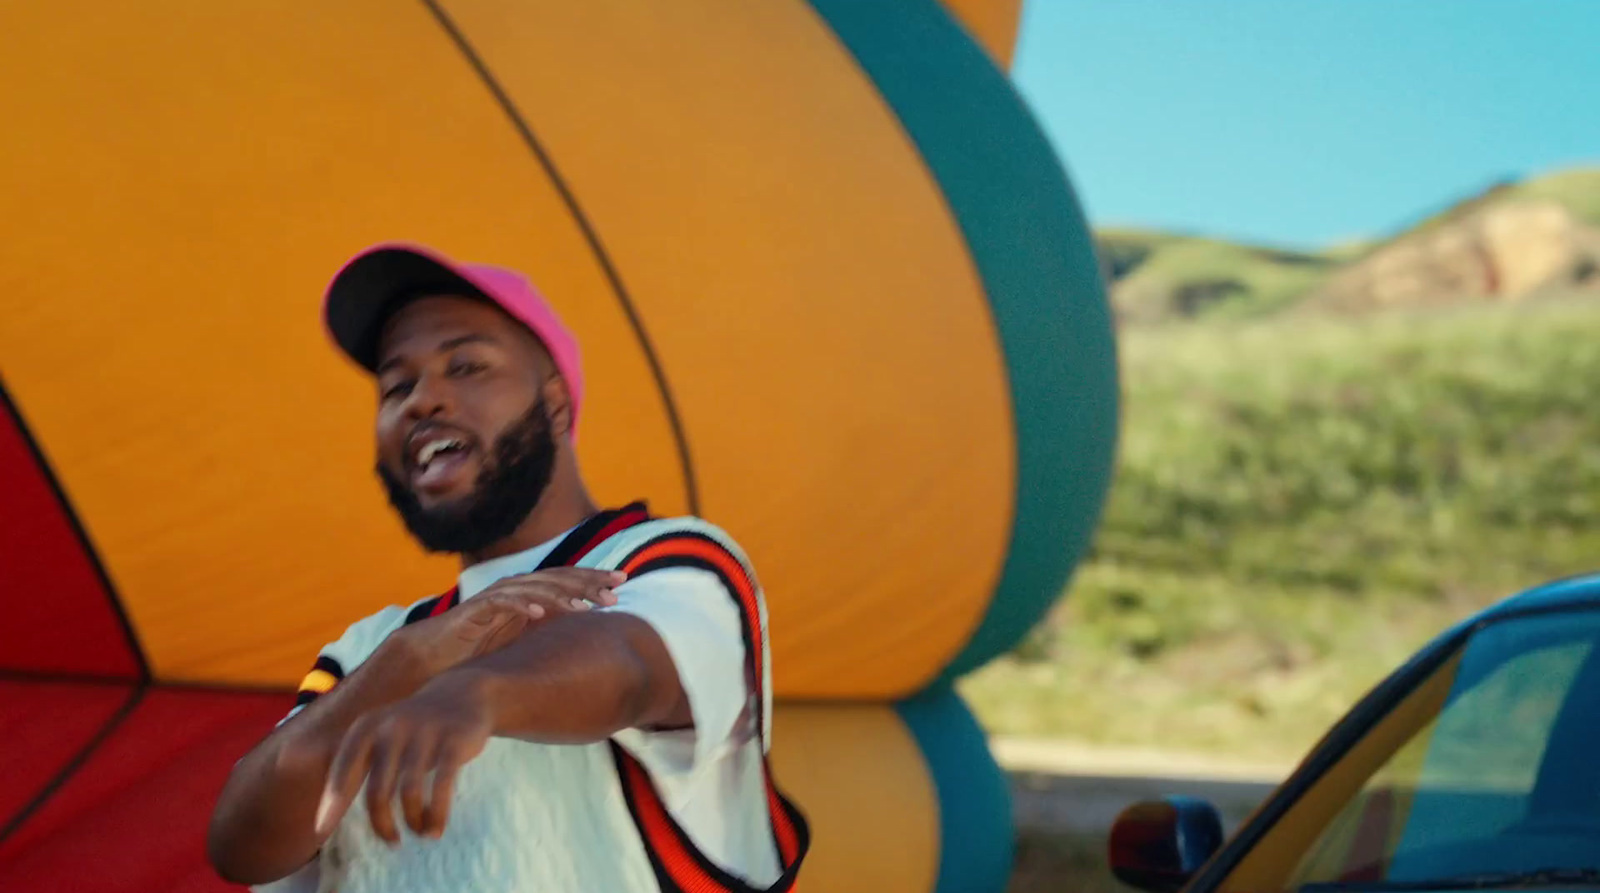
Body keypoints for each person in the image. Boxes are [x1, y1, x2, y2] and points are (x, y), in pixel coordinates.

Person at [207, 243, 807, 893]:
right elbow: (242, 846)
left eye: (465, 365)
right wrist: (404, 667)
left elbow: (633, 666)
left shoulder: (669, 558)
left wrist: (476, 691)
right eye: (396, 385)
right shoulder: (372, 650)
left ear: (553, 402)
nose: (421, 401)